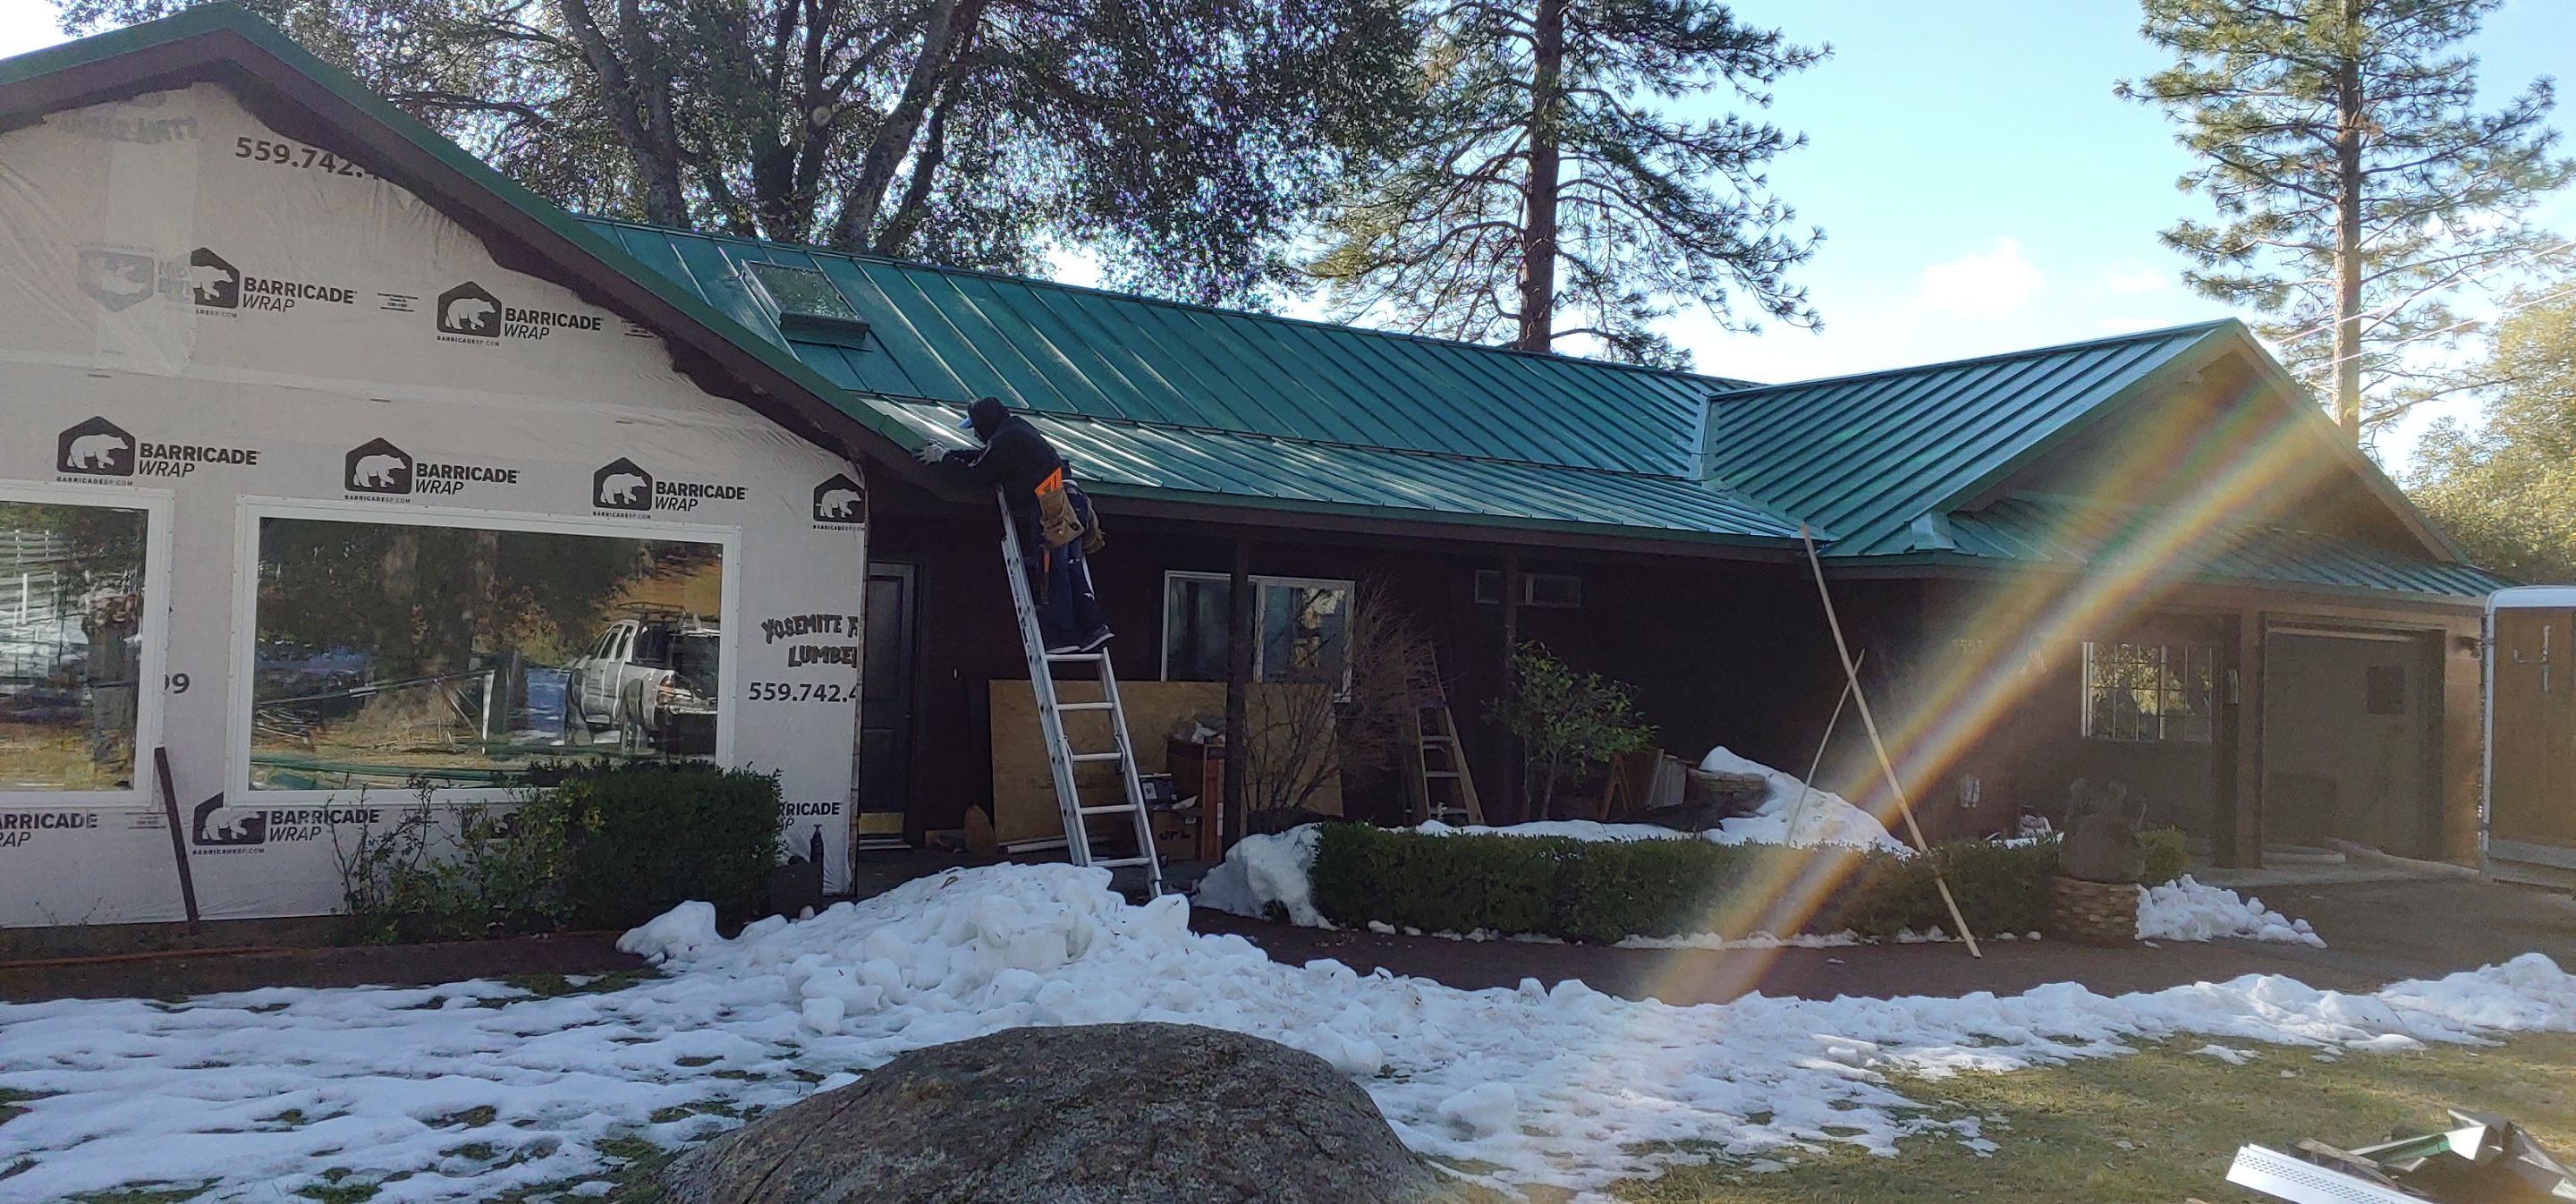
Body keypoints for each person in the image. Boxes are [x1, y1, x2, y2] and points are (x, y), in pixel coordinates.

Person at [917, 396, 1112, 654]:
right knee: (1069, 568)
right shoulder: (1016, 430)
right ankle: (1094, 627)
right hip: (1069, 502)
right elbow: (984, 457)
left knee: (1053, 572)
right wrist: (949, 454)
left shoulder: (1005, 440)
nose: (976, 434)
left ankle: (1063, 636)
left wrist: (943, 459)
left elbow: (975, 476)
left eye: (976, 427)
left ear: (986, 423)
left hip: (1052, 506)